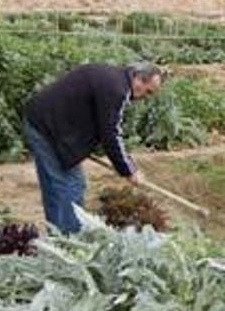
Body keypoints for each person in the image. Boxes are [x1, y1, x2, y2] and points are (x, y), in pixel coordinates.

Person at [23, 63, 164, 234]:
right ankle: (68, 242)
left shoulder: (115, 78)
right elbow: (111, 135)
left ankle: (62, 235)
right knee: (68, 186)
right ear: (139, 79)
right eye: (148, 91)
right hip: (46, 128)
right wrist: (129, 171)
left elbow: (98, 122)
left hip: (54, 126)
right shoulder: (117, 90)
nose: (145, 97)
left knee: (69, 185)